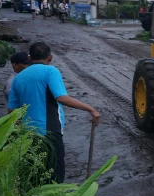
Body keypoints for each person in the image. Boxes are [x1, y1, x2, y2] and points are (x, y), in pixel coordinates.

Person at [8, 42, 101, 183]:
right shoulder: (50, 71)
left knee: (34, 174)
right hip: (49, 133)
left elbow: (12, 111)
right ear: (50, 58)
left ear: (29, 57)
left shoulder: (18, 78)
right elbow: (61, 97)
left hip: (27, 135)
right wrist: (91, 109)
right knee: (54, 177)